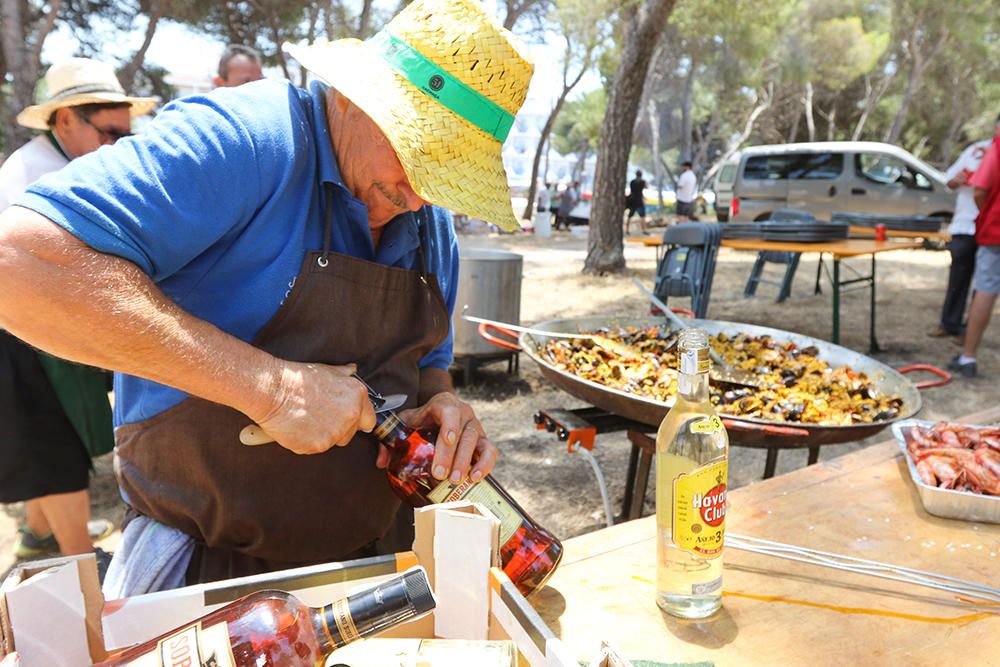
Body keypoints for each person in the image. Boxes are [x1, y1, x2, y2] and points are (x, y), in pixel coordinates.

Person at [0, 0, 526, 595]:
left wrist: (444, 407)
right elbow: (20, 265)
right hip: (206, 576)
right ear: (356, 97)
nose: (422, 195)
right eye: (415, 156)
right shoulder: (247, 139)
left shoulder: (430, 225)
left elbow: (428, 367)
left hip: (381, 571)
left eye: (447, 174)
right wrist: (270, 389)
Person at [0, 58, 156, 566]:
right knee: (53, 452)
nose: (119, 146)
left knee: (54, 438)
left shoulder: (71, 162)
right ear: (65, 119)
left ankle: (40, 537)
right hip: (16, 330)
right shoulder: (30, 177)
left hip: (44, 324)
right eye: (109, 133)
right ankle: (82, 563)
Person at [930, 117, 1000, 339]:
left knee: (984, 285)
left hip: (988, 227)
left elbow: (981, 192)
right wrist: (958, 180)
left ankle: (970, 333)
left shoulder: (994, 152)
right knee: (959, 279)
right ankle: (950, 323)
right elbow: (950, 180)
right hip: (966, 225)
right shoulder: (976, 150)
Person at [949, 132, 1000, 378]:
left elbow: (980, 190)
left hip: (996, 232)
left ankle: (968, 357)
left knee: (985, 290)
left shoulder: (996, 147)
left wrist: (987, 215)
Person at [625, 169, 648, 235]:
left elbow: (631, 192)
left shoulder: (632, 181)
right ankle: (644, 230)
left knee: (629, 216)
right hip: (639, 201)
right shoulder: (642, 182)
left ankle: (627, 230)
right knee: (642, 216)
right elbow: (646, 187)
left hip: (632, 201)